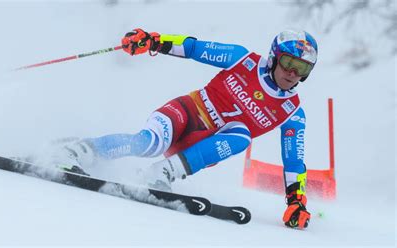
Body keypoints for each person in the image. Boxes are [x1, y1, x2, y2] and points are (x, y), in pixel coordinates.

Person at [57, 28, 317, 229]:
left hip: (200, 145)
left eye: (302, 68)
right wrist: (154, 41)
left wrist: (296, 201)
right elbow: (193, 48)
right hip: (187, 112)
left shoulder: (292, 112)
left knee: (241, 135)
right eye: (288, 62)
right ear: (274, 57)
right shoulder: (242, 59)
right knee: (149, 144)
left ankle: (161, 174)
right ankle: (79, 151)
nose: (293, 72)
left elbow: (294, 161)